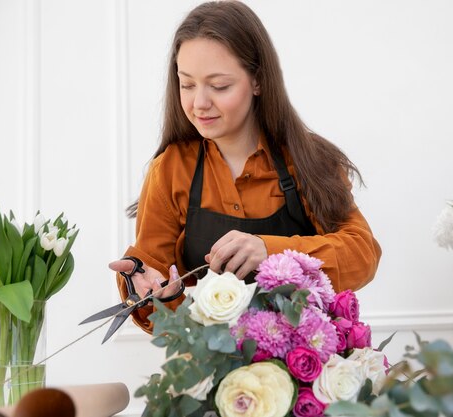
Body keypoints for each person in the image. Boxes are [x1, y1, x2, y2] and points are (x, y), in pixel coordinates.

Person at [109, 0, 381, 334]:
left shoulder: (308, 159)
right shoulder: (170, 170)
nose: (199, 103)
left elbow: (362, 253)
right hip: (209, 371)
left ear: (257, 81)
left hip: (301, 372)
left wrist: (271, 251)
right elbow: (161, 311)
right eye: (187, 84)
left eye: (219, 86)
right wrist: (149, 287)